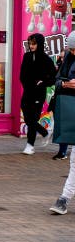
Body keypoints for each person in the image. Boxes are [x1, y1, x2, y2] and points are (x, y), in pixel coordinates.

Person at [49, 31, 75, 214]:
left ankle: (64, 198)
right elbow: (56, 82)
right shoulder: (67, 59)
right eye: (71, 49)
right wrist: (66, 84)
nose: (72, 52)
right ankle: (64, 199)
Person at [19, 33, 56, 155]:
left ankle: (30, 145)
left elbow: (53, 77)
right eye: (30, 43)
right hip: (27, 92)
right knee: (28, 118)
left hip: (39, 94)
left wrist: (43, 82)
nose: (31, 46)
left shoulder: (46, 59)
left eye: (34, 43)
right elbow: (22, 75)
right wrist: (27, 84)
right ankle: (45, 132)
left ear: (39, 44)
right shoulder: (27, 56)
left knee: (33, 118)